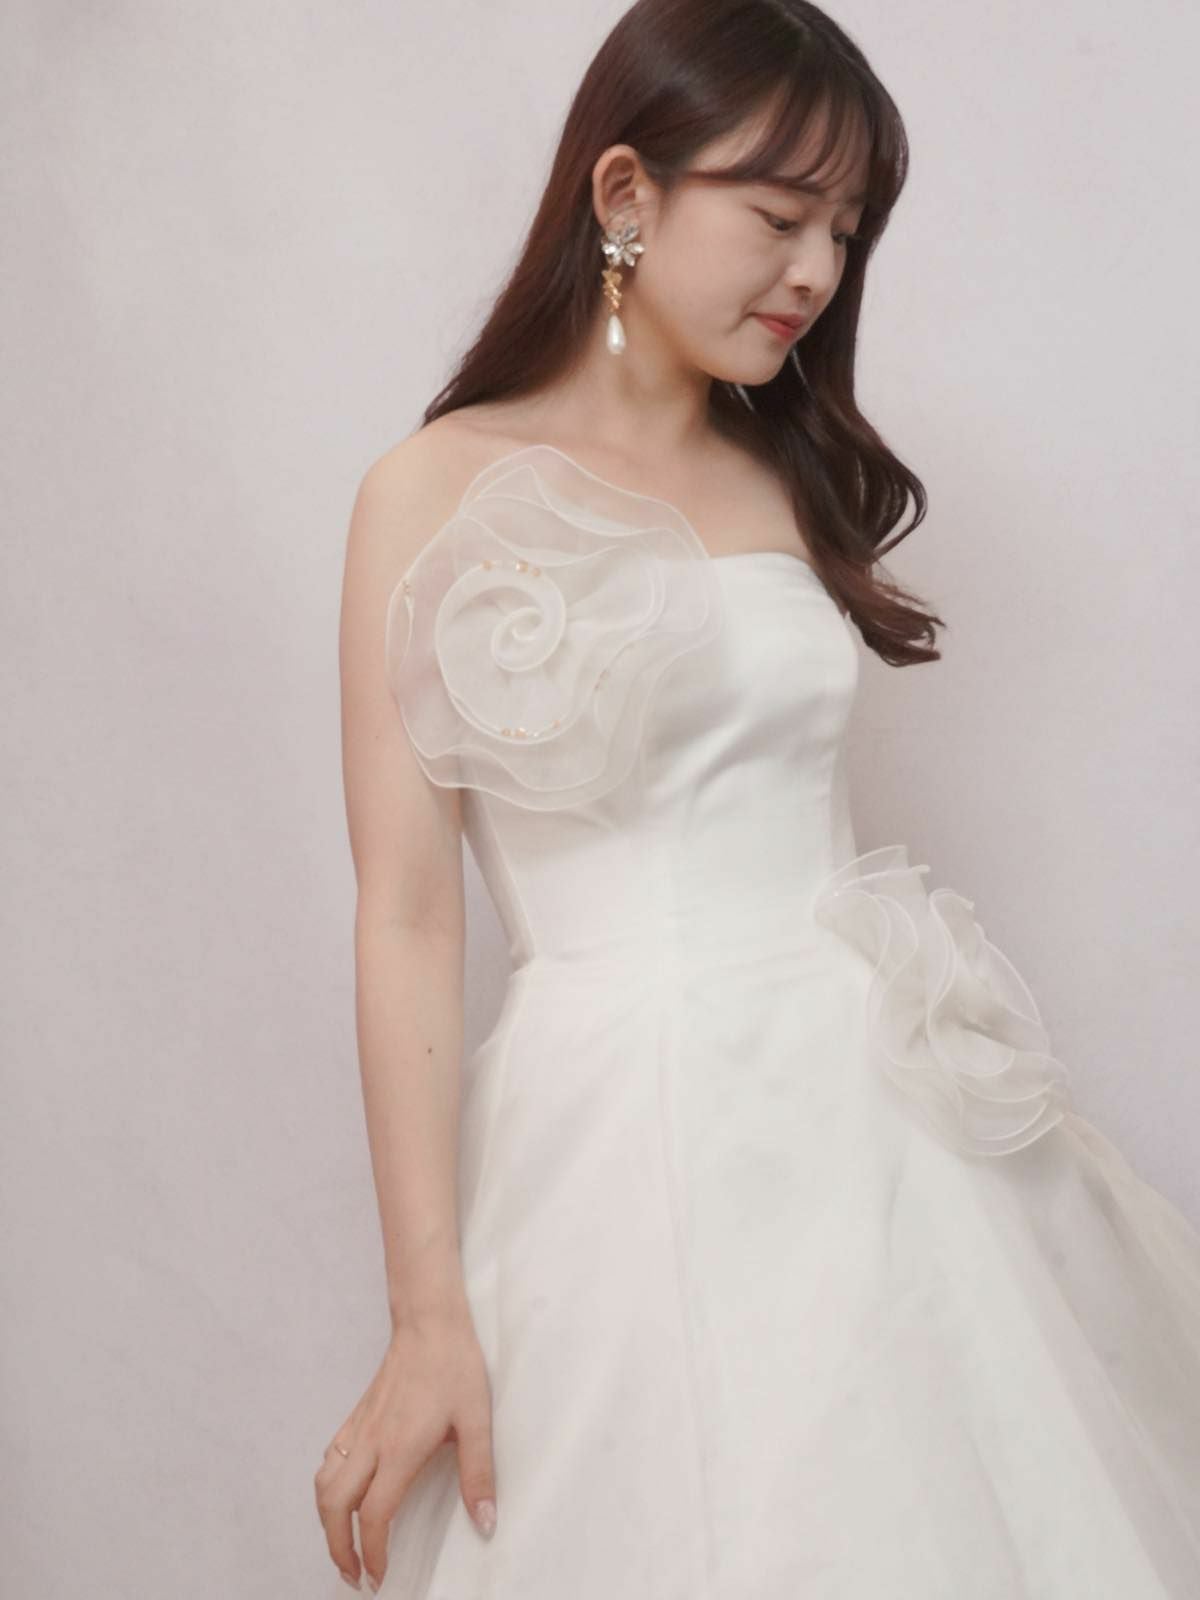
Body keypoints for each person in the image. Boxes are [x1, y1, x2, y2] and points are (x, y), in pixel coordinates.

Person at [317, 1, 1200, 1594]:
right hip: (617, 1123)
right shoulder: (431, 489)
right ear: (626, 194)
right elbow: (408, 917)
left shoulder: (787, 476)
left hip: (874, 1113)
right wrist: (425, 1311)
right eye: (782, 216)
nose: (818, 271)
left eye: (846, 232)